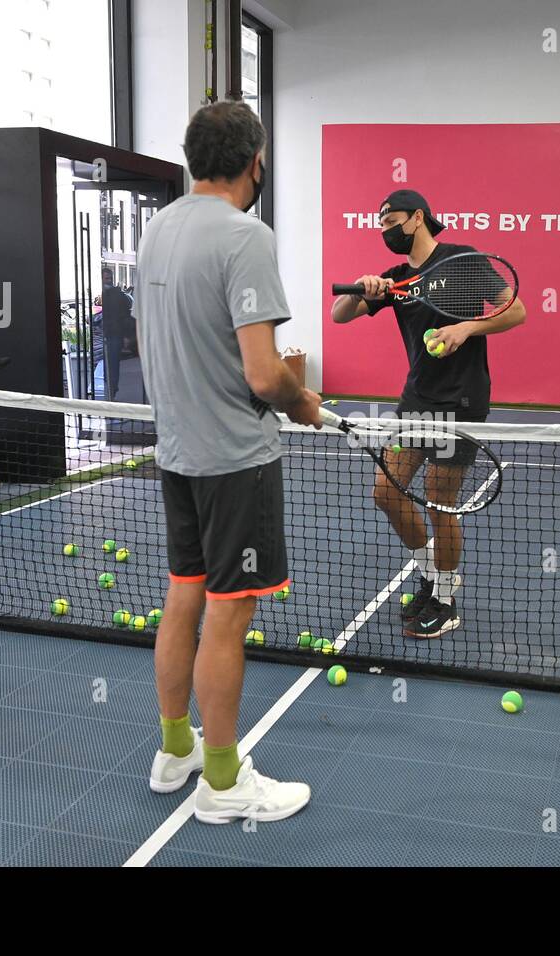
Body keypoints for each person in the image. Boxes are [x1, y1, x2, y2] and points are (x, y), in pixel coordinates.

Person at [135, 99, 320, 823]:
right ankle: (221, 783)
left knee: (183, 594)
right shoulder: (247, 236)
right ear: (255, 161)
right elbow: (263, 374)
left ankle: (174, 747)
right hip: (234, 460)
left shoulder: (158, 229)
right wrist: (302, 402)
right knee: (227, 614)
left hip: (176, 454)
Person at [330, 190, 526, 638]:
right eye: (379, 224)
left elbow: (515, 310)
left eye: (391, 220)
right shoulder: (396, 280)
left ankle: (446, 598)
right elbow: (341, 315)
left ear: (417, 218)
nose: (385, 230)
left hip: (461, 400)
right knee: (386, 491)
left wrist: (466, 327)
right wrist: (363, 288)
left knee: (440, 502)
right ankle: (432, 573)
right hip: (416, 400)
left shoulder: (464, 261)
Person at [100, 267, 133, 399]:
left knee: (112, 365)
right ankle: (108, 390)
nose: (108, 281)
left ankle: (111, 391)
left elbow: (125, 316)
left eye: (110, 278)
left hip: (114, 334)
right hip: (105, 334)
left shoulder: (117, 295)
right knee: (105, 365)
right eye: (106, 278)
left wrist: (125, 335)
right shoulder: (101, 295)